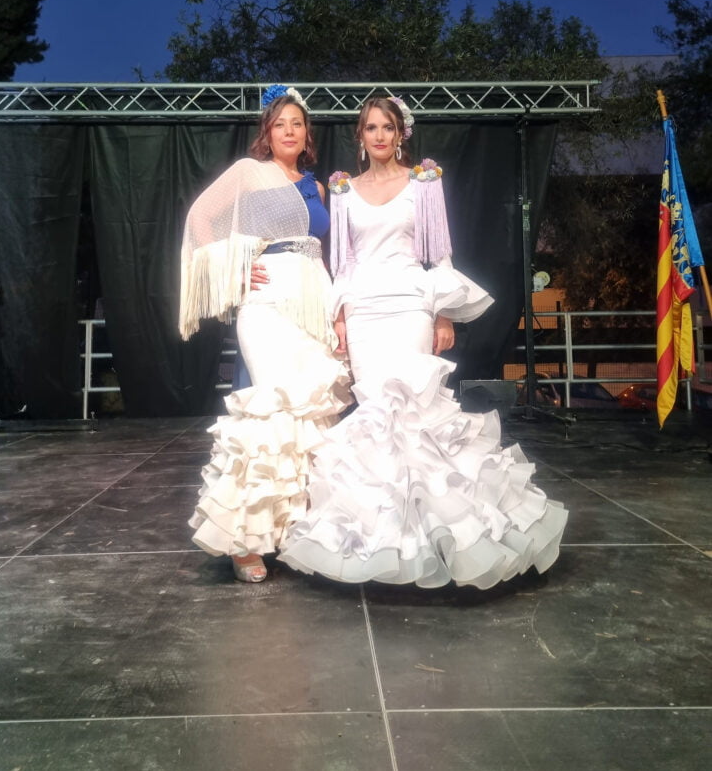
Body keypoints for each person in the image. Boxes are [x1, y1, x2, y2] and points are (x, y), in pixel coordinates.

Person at [279, 95, 568, 589]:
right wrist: (342, 318)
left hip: (412, 303)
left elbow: (439, 254)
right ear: (360, 135)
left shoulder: (424, 183)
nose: (380, 136)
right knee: (374, 417)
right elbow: (342, 264)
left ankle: (439, 537)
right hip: (365, 310)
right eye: (371, 127)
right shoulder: (343, 190)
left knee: (414, 412)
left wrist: (442, 314)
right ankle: (377, 541)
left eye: (388, 127)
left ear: (400, 134)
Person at [179, 85, 349, 582]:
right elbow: (200, 219)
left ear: (307, 133)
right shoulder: (248, 175)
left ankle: (295, 530)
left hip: (312, 297)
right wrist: (234, 267)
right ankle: (243, 539)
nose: (290, 131)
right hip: (269, 299)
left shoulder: (316, 188)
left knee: (311, 412)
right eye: (280, 125)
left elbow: (325, 249)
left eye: (297, 123)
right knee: (271, 409)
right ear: (267, 133)